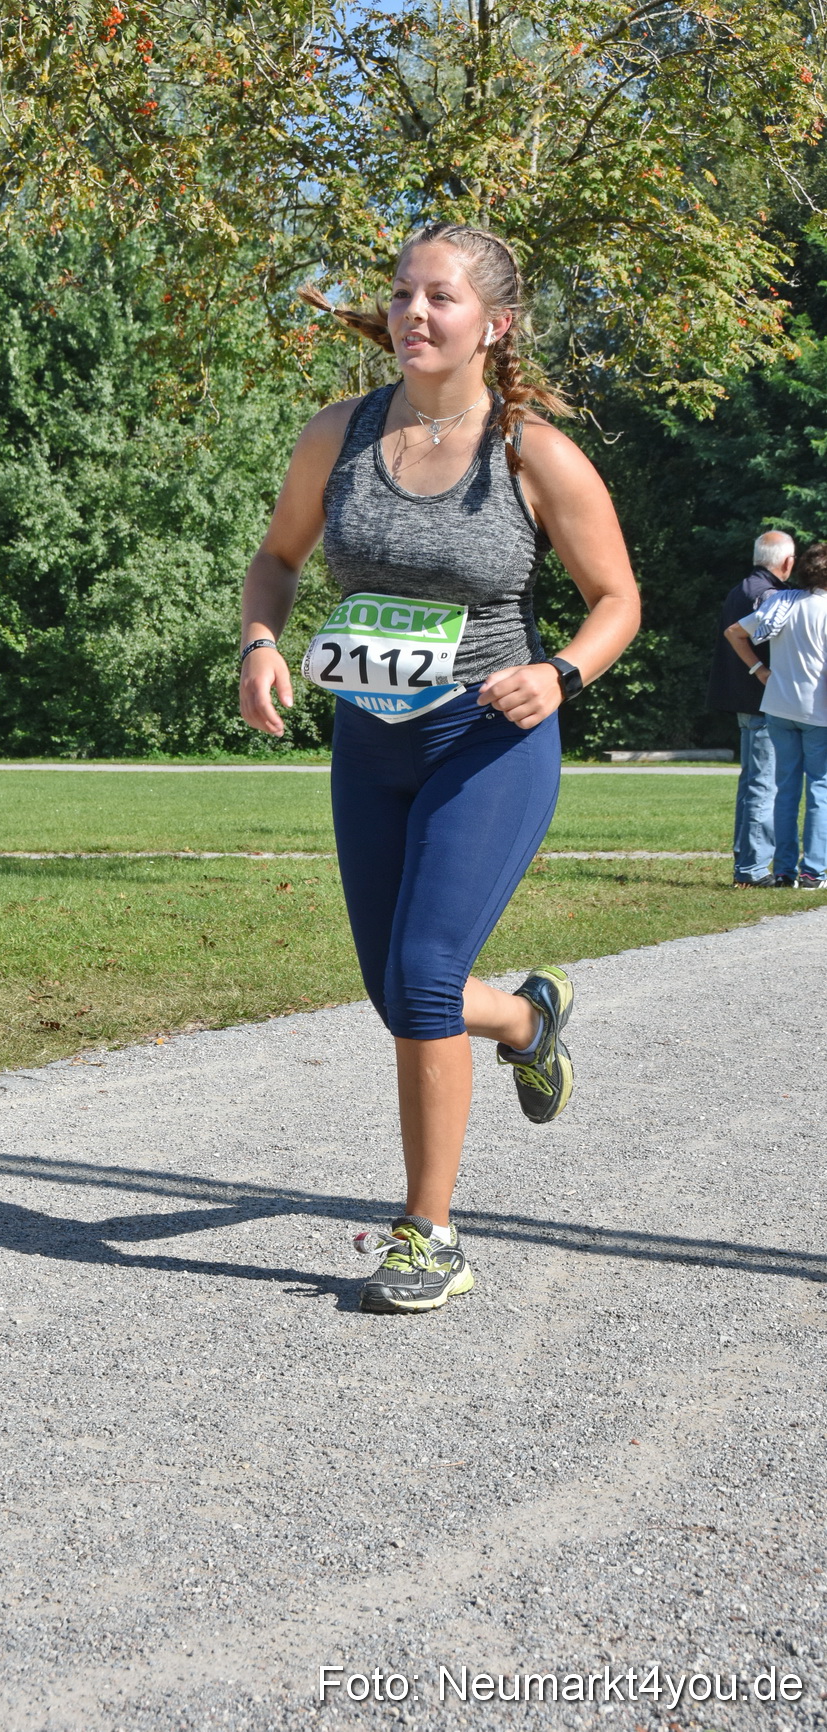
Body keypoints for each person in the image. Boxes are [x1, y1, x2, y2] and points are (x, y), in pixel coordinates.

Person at [239, 223, 640, 1315]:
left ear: (493, 325)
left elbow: (619, 601)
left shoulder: (531, 451)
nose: (414, 313)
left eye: (442, 299)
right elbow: (276, 561)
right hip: (370, 741)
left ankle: (430, 1232)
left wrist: (558, 673)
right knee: (395, 992)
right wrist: (260, 643)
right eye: (404, 293)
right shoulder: (341, 434)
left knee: (420, 981)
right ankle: (524, 1020)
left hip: (487, 736)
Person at [725, 541, 827, 891]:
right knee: (819, 790)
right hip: (818, 711)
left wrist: (759, 668)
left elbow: (734, 632)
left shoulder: (783, 602)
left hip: (779, 706)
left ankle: (784, 871)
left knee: (785, 790)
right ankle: (813, 871)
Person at [706, 530, 794, 887]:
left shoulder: (741, 588)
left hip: (743, 699)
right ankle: (754, 868)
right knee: (763, 784)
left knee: (751, 783)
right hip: (763, 700)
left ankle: (746, 862)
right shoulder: (771, 595)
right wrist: (764, 672)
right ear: (787, 562)